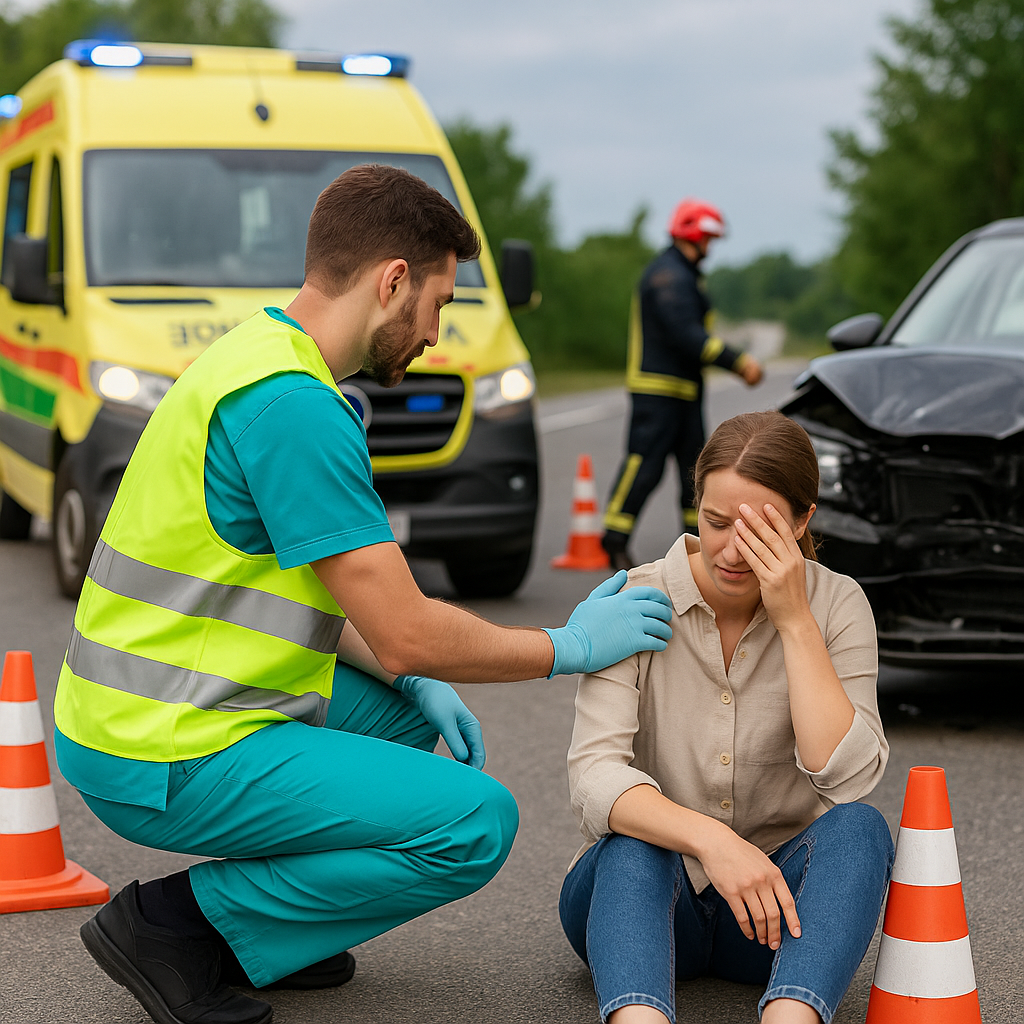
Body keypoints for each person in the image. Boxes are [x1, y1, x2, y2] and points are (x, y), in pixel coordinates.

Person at [53, 164, 675, 1024]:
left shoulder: (255, 355)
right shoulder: (293, 406)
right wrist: (569, 647)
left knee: (408, 710)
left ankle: (286, 922)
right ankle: (182, 928)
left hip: (147, 705)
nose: (436, 333)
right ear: (392, 282)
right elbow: (407, 632)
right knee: (475, 824)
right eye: (439, 305)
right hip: (161, 746)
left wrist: (412, 678)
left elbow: (331, 605)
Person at [561, 411, 895, 1024]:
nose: (733, 550)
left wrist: (795, 620)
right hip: (645, 902)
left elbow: (846, 779)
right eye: (716, 523)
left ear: (802, 520)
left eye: (761, 530)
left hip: (770, 917)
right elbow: (593, 778)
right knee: (635, 838)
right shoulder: (635, 598)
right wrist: (711, 841)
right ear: (695, 507)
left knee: (862, 830)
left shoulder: (838, 604)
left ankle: (790, 1016)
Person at [601, 199, 764, 571]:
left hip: (684, 392)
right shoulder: (668, 276)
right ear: (696, 236)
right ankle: (613, 540)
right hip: (657, 392)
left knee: (696, 472)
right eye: (708, 239)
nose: (711, 248)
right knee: (644, 466)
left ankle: (695, 546)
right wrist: (738, 361)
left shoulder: (683, 274)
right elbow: (688, 335)